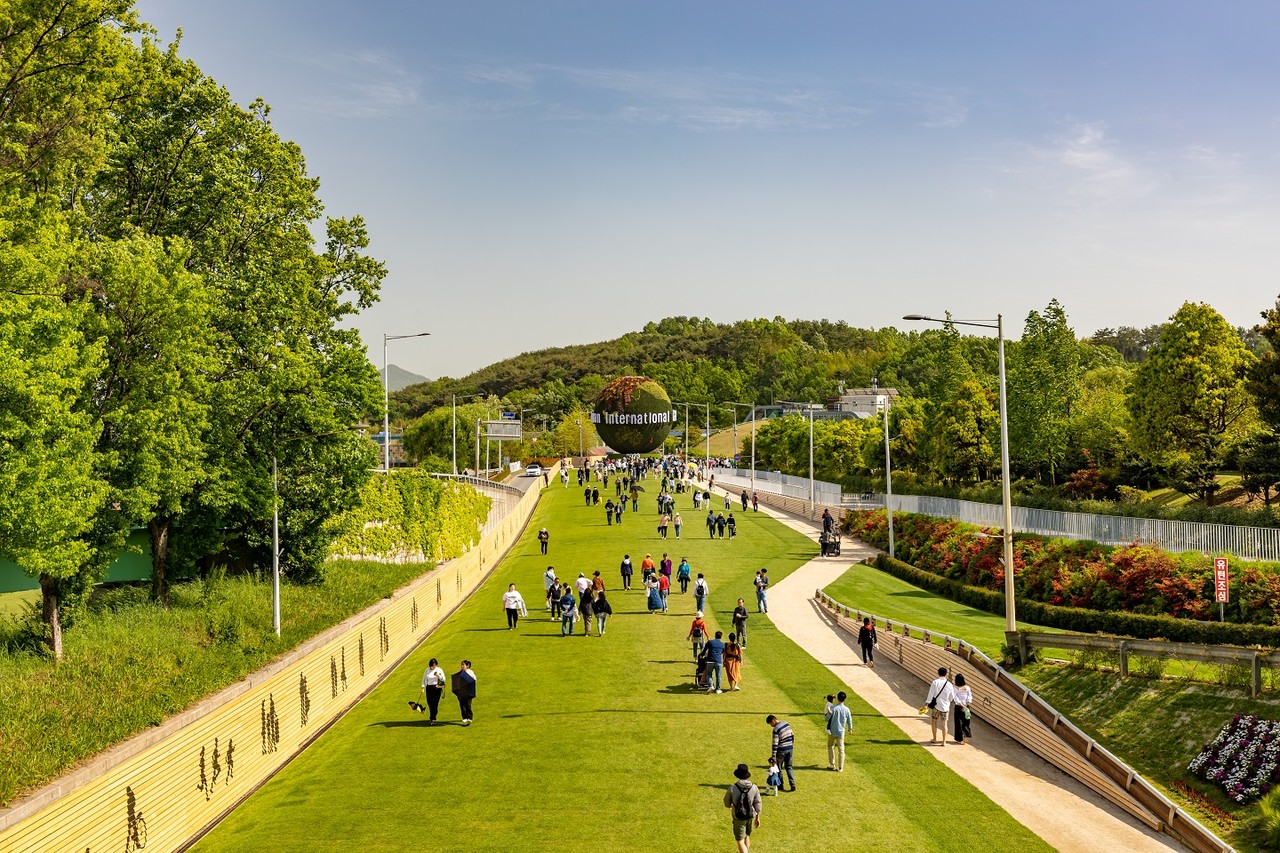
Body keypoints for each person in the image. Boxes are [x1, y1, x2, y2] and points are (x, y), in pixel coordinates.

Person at [724, 763, 762, 853]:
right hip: (750, 815)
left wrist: (730, 805)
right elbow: (758, 803)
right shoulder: (754, 787)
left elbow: (726, 801)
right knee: (747, 836)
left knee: (740, 840)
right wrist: (757, 817)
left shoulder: (733, 788)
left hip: (738, 817)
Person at [926, 667, 956, 746]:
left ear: (938, 673)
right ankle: (944, 741)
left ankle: (935, 738)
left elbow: (931, 694)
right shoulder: (949, 684)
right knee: (944, 724)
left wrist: (927, 703)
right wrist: (947, 701)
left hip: (936, 706)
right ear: (946, 674)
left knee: (934, 722)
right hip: (945, 707)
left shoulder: (935, 682)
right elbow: (951, 697)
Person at [766, 715, 796, 792]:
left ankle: (780, 785)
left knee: (779, 768)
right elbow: (792, 735)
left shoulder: (776, 729)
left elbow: (775, 743)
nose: (771, 726)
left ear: (773, 720)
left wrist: (773, 756)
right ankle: (792, 784)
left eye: (770, 724)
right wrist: (791, 745)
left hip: (781, 750)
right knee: (789, 767)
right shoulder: (786, 723)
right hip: (790, 748)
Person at [826, 690, 853, 771]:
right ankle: (840, 767)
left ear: (837, 698)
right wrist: (850, 728)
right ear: (845, 699)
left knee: (830, 746)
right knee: (841, 749)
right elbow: (849, 720)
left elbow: (826, 719)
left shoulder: (833, 708)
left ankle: (832, 764)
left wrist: (829, 713)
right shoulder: (847, 709)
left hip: (832, 731)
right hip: (841, 732)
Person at [415, 657, 446, 724]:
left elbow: (443, 679)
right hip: (429, 688)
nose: (433, 667)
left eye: (434, 665)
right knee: (430, 702)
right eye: (432, 666)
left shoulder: (439, 670)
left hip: (437, 688)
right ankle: (433, 714)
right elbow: (424, 679)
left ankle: (433, 718)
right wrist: (423, 687)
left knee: (435, 703)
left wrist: (438, 676)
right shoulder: (427, 670)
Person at [450, 660, 476, 725]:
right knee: (462, 704)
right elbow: (456, 679)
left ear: (467, 665)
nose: (462, 666)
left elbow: (474, 680)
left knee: (468, 704)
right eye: (461, 665)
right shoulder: (459, 672)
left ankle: (469, 717)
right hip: (461, 691)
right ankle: (464, 717)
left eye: (463, 665)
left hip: (468, 691)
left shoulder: (470, 672)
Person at [953, 673, 973, 744]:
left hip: (959, 707)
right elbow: (969, 697)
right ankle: (966, 736)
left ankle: (959, 739)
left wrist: (962, 705)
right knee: (966, 722)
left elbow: (955, 698)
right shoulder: (967, 688)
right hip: (966, 707)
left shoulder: (955, 688)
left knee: (958, 722)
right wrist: (967, 705)